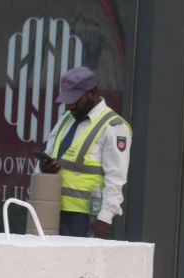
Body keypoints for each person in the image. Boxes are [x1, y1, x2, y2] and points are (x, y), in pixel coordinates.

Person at [39, 66, 132, 238]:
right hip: (53, 209)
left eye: (76, 99)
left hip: (86, 217)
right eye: (68, 100)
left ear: (92, 93)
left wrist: (105, 218)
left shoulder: (114, 127)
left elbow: (116, 178)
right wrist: (45, 167)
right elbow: (50, 152)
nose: (71, 105)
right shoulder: (67, 119)